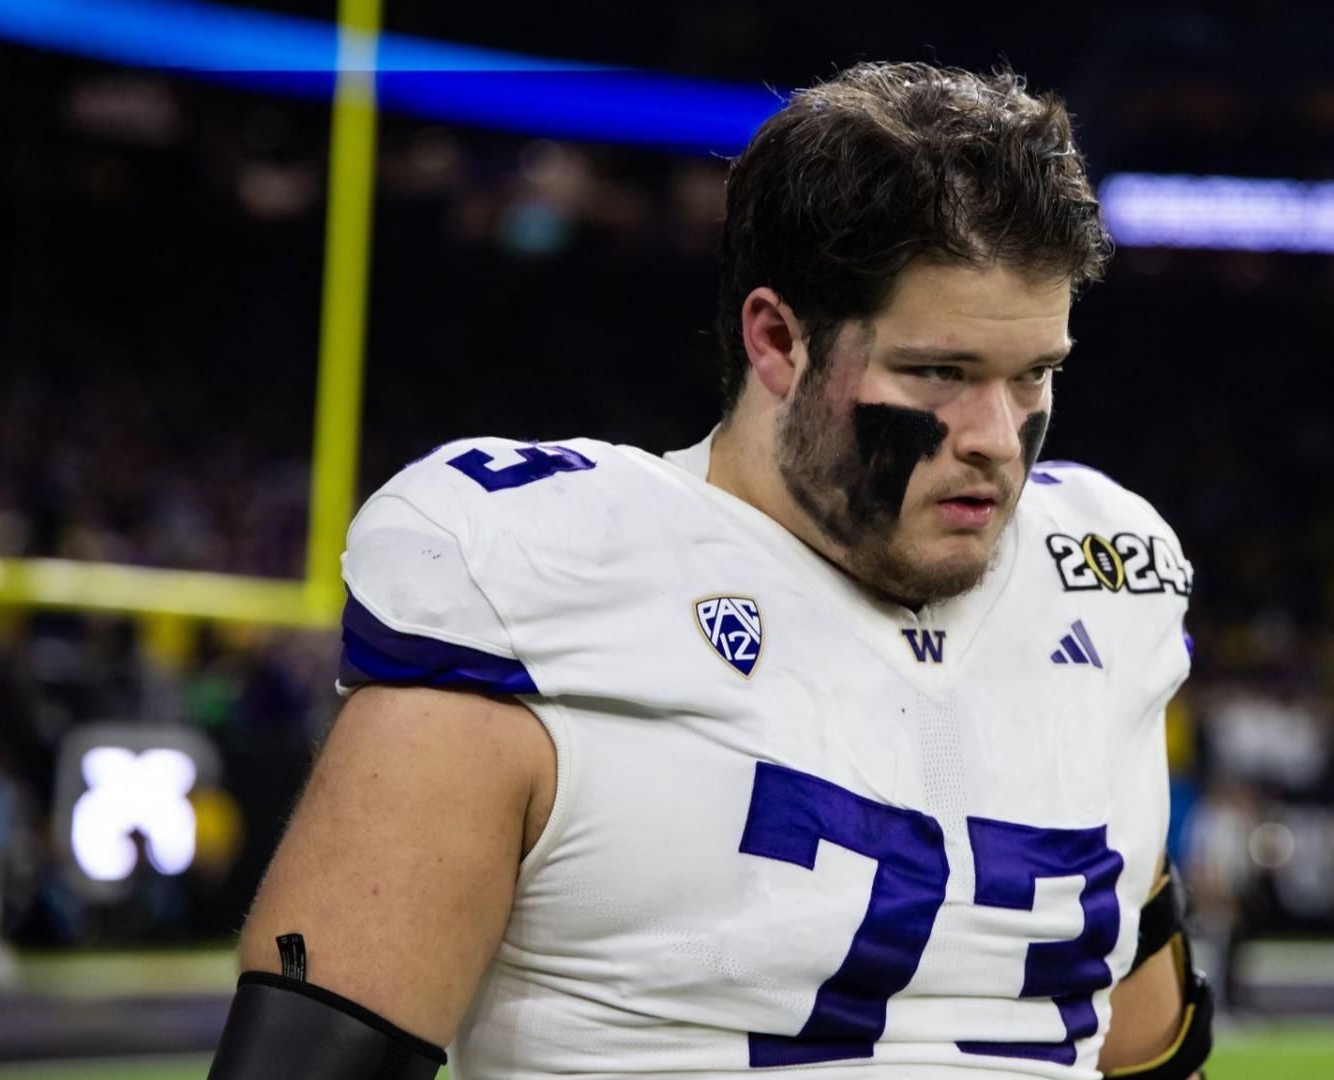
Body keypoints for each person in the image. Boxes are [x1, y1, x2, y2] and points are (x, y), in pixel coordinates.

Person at [209, 61, 1210, 1080]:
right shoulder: (551, 580)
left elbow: (1148, 1056)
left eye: (1034, 374)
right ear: (778, 339)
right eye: (938, 374)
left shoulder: (1097, 582)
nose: (999, 438)